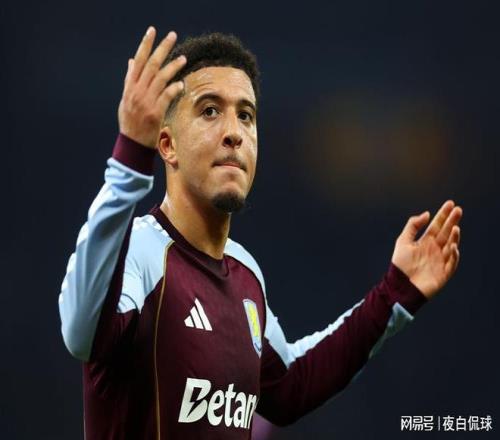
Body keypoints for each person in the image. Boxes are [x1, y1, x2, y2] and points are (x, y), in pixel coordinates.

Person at [58, 27, 462, 439]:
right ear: (167, 145)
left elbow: (291, 386)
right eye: (210, 111)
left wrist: (396, 292)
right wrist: (130, 157)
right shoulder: (137, 252)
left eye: (246, 115)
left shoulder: (246, 275)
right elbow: (80, 332)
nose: (234, 132)